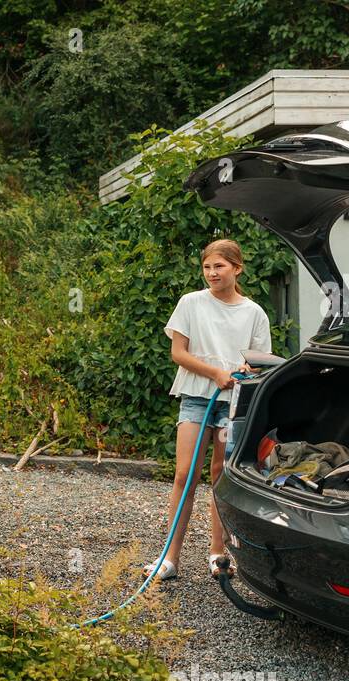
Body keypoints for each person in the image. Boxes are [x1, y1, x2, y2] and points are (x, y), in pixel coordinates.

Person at [147, 238, 271, 581]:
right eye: (207, 267)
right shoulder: (191, 303)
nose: (212, 273)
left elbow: (259, 362)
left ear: (237, 268)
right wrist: (215, 373)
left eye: (219, 266)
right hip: (197, 396)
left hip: (233, 403)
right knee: (185, 474)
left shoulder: (254, 313)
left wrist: (247, 371)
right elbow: (179, 353)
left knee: (221, 476)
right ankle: (169, 559)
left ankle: (218, 554)